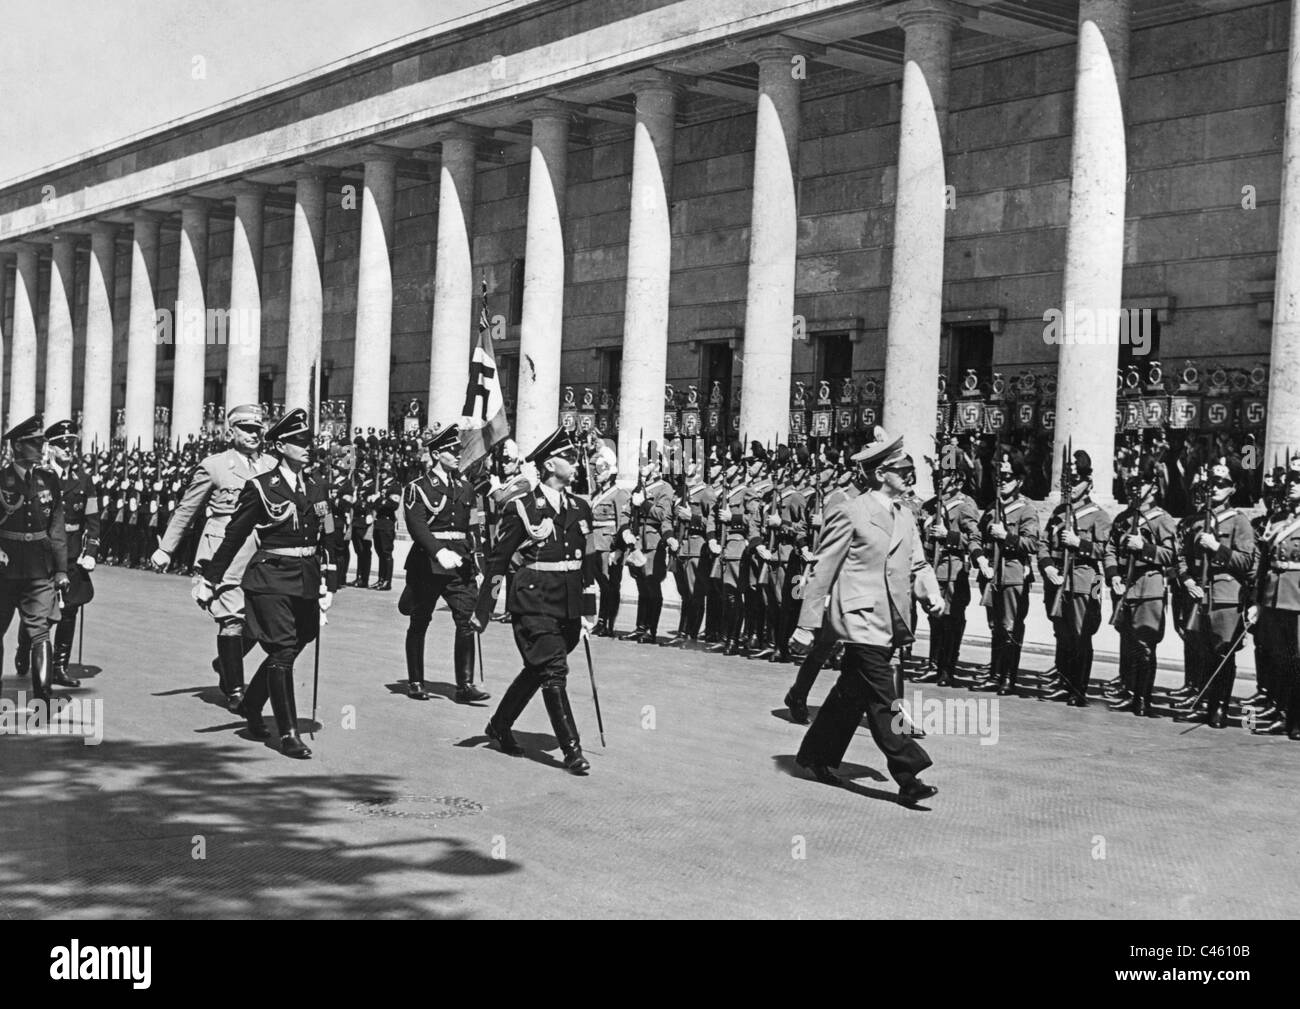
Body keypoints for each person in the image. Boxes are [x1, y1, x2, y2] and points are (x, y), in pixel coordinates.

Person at [788, 428, 943, 805]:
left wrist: (931, 593)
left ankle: (815, 757)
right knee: (882, 696)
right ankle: (908, 772)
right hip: (859, 618)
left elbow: (918, 563)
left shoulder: (906, 514)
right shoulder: (852, 511)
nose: (909, 474)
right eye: (900, 468)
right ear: (879, 474)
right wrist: (806, 624)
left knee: (850, 694)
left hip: (890, 618)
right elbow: (824, 568)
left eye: (910, 467)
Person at [201, 408, 337, 759]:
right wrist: (211, 577)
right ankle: (288, 733)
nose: (308, 447)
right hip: (270, 576)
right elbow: (235, 535)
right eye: (299, 442)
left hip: (305, 576)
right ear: (281, 446)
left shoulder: (317, 485)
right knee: (281, 650)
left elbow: (331, 534)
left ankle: (250, 704)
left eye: (309, 441)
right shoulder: (261, 487)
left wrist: (331, 580)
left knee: (301, 639)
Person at [470, 427, 598, 775]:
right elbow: (498, 560)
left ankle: (499, 724)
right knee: (554, 670)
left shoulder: (580, 506)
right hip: (534, 600)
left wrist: (589, 611)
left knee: (538, 668)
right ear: (548, 465)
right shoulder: (523, 507)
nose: (575, 462)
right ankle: (572, 750)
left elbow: (588, 562)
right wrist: (482, 611)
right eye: (568, 458)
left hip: (568, 603)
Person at [152, 404, 274, 707]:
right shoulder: (215, 465)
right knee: (232, 617)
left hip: (264, 552)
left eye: (257, 428)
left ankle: (225, 662)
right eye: (246, 428)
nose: (253, 434)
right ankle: (234, 689)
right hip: (224, 550)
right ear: (230, 431)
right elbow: (187, 509)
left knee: (265, 619)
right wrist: (166, 548)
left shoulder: (273, 464)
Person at [399, 425, 491, 704]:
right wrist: (439, 552)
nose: (457, 454)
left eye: (458, 450)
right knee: (420, 621)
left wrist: (478, 562)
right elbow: (417, 527)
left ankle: (465, 684)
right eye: (451, 451)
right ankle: (415, 680)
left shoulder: (465, 487)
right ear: (437, 454)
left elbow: (472, 528)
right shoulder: (418, 487)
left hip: (460, 562)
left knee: (466, 620)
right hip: (428, 563)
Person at [14, 419, 100, 688]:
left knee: (70, 610)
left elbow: (93, 520)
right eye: (62, 445)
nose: (68, 450)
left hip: (72, 554)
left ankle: (59, 666)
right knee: (39, 613)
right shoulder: (37, 476)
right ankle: (25, 646)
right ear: (49, 448)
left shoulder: (83, 480)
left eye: (71, 445)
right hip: (40, 556)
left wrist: (92, 551)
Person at [1176, 460, 1256, 728]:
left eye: (1221, 484)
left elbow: (1246, 561)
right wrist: (1186, 579)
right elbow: (1183, 556)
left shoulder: (1239, 522)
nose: (1215, 489)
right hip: (1199, 593)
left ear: (1232, 489)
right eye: (1211, 483)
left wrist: (1217, 548)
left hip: (1225, 594)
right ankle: (1203, 702)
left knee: (1223, 654)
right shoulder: (1196, 520)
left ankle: (1219, 707)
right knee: (1201, 651)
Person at [0, 415, 70, 702]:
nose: (41, 447)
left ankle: (43, 700)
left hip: (40, 568)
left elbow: (56, 526)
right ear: (18, 446)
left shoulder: (48, 478)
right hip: (4, 569)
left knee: (40, 631)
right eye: (34, 442)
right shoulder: (2, 478)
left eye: (41, 441)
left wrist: (61, 569)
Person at [1103, 459, 1178, 716]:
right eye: (1132, 485)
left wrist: (1145, 548)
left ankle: (1142, 698)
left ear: (1153, 488)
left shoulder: (1162, 520)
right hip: (1125, 587)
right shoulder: (1123, 517)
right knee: (1128, 642)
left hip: (1149, 588)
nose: (1135, 490)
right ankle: (1128, 689)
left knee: (1145, 645)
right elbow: (1110, 549)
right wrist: (1112, 574)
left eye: (1141, 484)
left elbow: (1172, 555)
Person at [1038, 450, 1112, 706]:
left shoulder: (1098, 515)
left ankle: (1079, 690)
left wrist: (1079, 543)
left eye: (1077, 481)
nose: (1071, 487)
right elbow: (1043, 543)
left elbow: (1106, 550)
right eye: (1068, 482)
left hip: (1083, 579)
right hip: (1058, 579)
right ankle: (1064, 682)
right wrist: (1047, 567)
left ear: (1088, 484)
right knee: (1063, 634)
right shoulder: (1059, 512)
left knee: (1081, 636)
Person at [971, 454, 1039, 696]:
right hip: (991, 573)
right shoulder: (992, 508)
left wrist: (1006, 537)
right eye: (999, 477)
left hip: (1012, 574)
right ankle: (994, 674)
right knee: (995, 626)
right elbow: (976, 537)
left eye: (1008, 477)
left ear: (1019, 480)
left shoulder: (1026, 510)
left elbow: (1032, 543)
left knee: (1010, 626)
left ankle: (1008, 678)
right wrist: (979, 558)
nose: (1002, 482)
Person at [1250, 461, 1300, 740]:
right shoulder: (1279, 520)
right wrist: (1258, 600)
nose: (1293, 484)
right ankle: (1282, 712)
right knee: (1280, 658)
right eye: (1291, 479)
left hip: (1297, 598)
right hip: (1274, 596)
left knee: (1298, 660)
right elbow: (1264, 563)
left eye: (1299, 479)